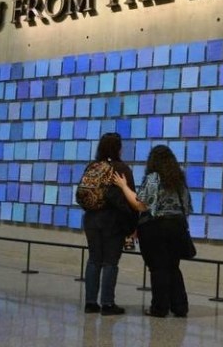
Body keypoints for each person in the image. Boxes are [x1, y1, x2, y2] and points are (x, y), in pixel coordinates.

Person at [112, 145, 192, 318]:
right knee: (173, 267)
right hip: (177, 227)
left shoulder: (153, 178)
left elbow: (140, 204)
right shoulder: (179, 180)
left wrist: (123, 186)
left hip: (156, 227)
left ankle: (159, 307)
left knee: (158, 268)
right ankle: (180, 307)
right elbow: (186, 207)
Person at [82, 132, 136, 315]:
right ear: (118, 148)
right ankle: (107, 304)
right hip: (113, 221)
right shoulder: (121, 169)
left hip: (91, 219)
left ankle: (90, 302)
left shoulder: (93, 166)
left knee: (93, 260)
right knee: (110, 262)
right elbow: (131, 198)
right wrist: (133, 225)